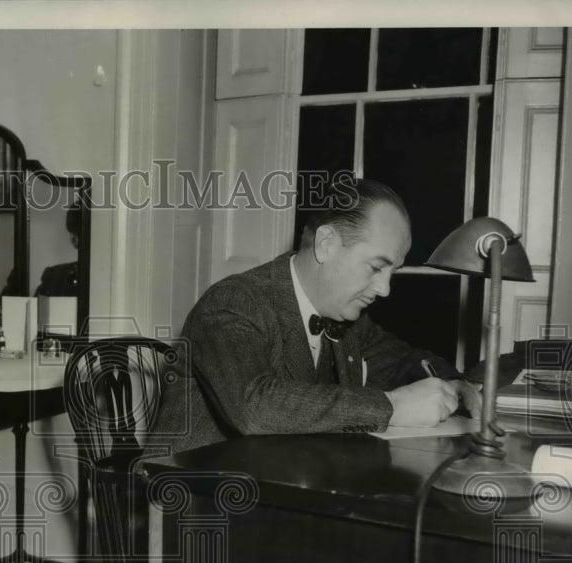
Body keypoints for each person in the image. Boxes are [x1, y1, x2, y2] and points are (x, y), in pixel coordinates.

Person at [151, 178, 482, 455]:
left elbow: (403, 361)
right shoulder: (233, 303)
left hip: (279, 487)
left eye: (391, 272)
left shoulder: (346, 319)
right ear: (326, 243)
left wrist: (456, 384)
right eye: (376, 267)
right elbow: (253, 407)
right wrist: (392, 406)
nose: (385, 290)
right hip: (195, 502)